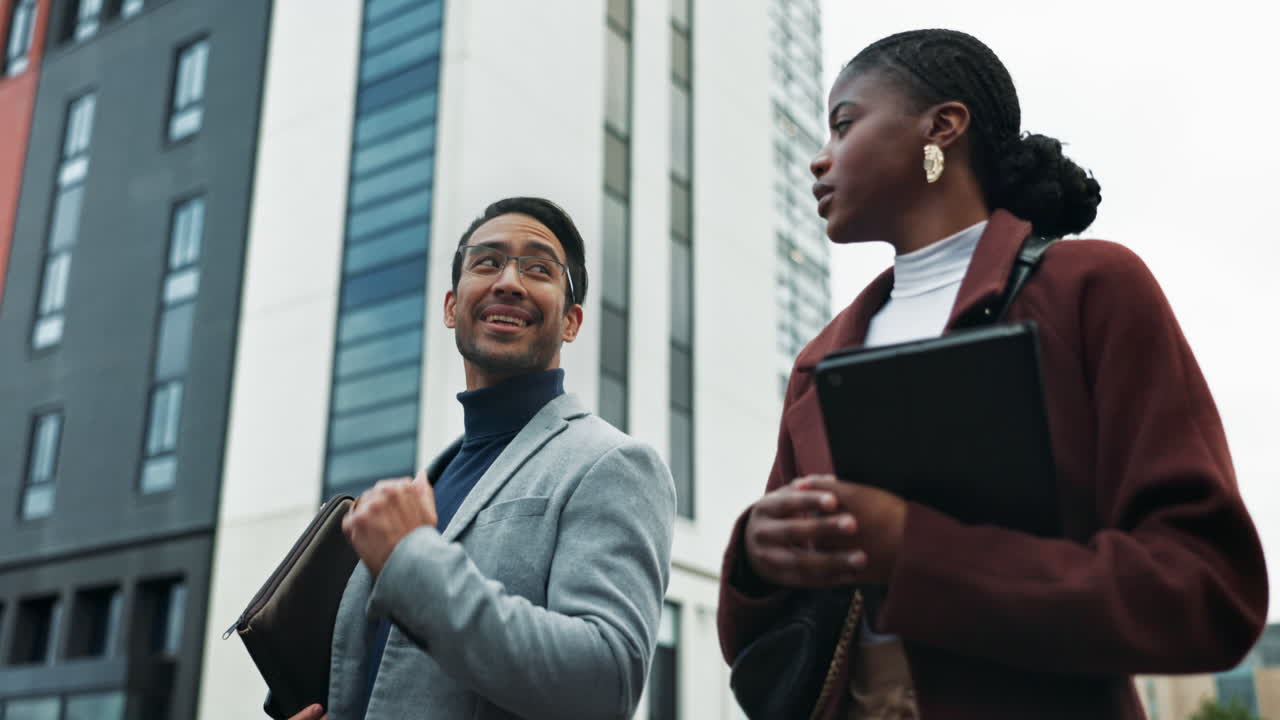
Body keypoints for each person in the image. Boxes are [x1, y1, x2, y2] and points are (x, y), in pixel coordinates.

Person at [716, 29, 1269, 719]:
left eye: (843, 124)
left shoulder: (1092, 289)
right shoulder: (821, 358)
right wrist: (759, 560)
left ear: (941, 128)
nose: (818, 161)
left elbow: (1205, 590)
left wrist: (911, 550)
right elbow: (767, 644)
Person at [288, 197, 676, 720]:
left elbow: (604, 683)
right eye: (487, 262)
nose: (509, 281)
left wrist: (410, 562)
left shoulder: (613, 464)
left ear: (571, 322)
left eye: (538, 268)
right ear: (452, 307)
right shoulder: (431, 481)